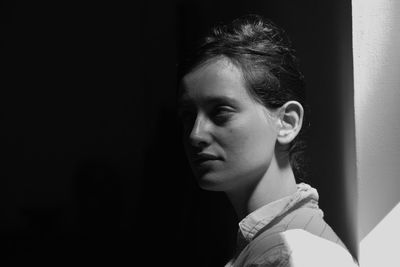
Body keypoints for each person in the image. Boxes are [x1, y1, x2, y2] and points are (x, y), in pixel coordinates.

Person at [177, 14, 358, 267]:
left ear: (287, 123)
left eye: (220, 111)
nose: (195, 134)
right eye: (188, 115)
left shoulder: (299, 254)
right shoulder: (269, 245)